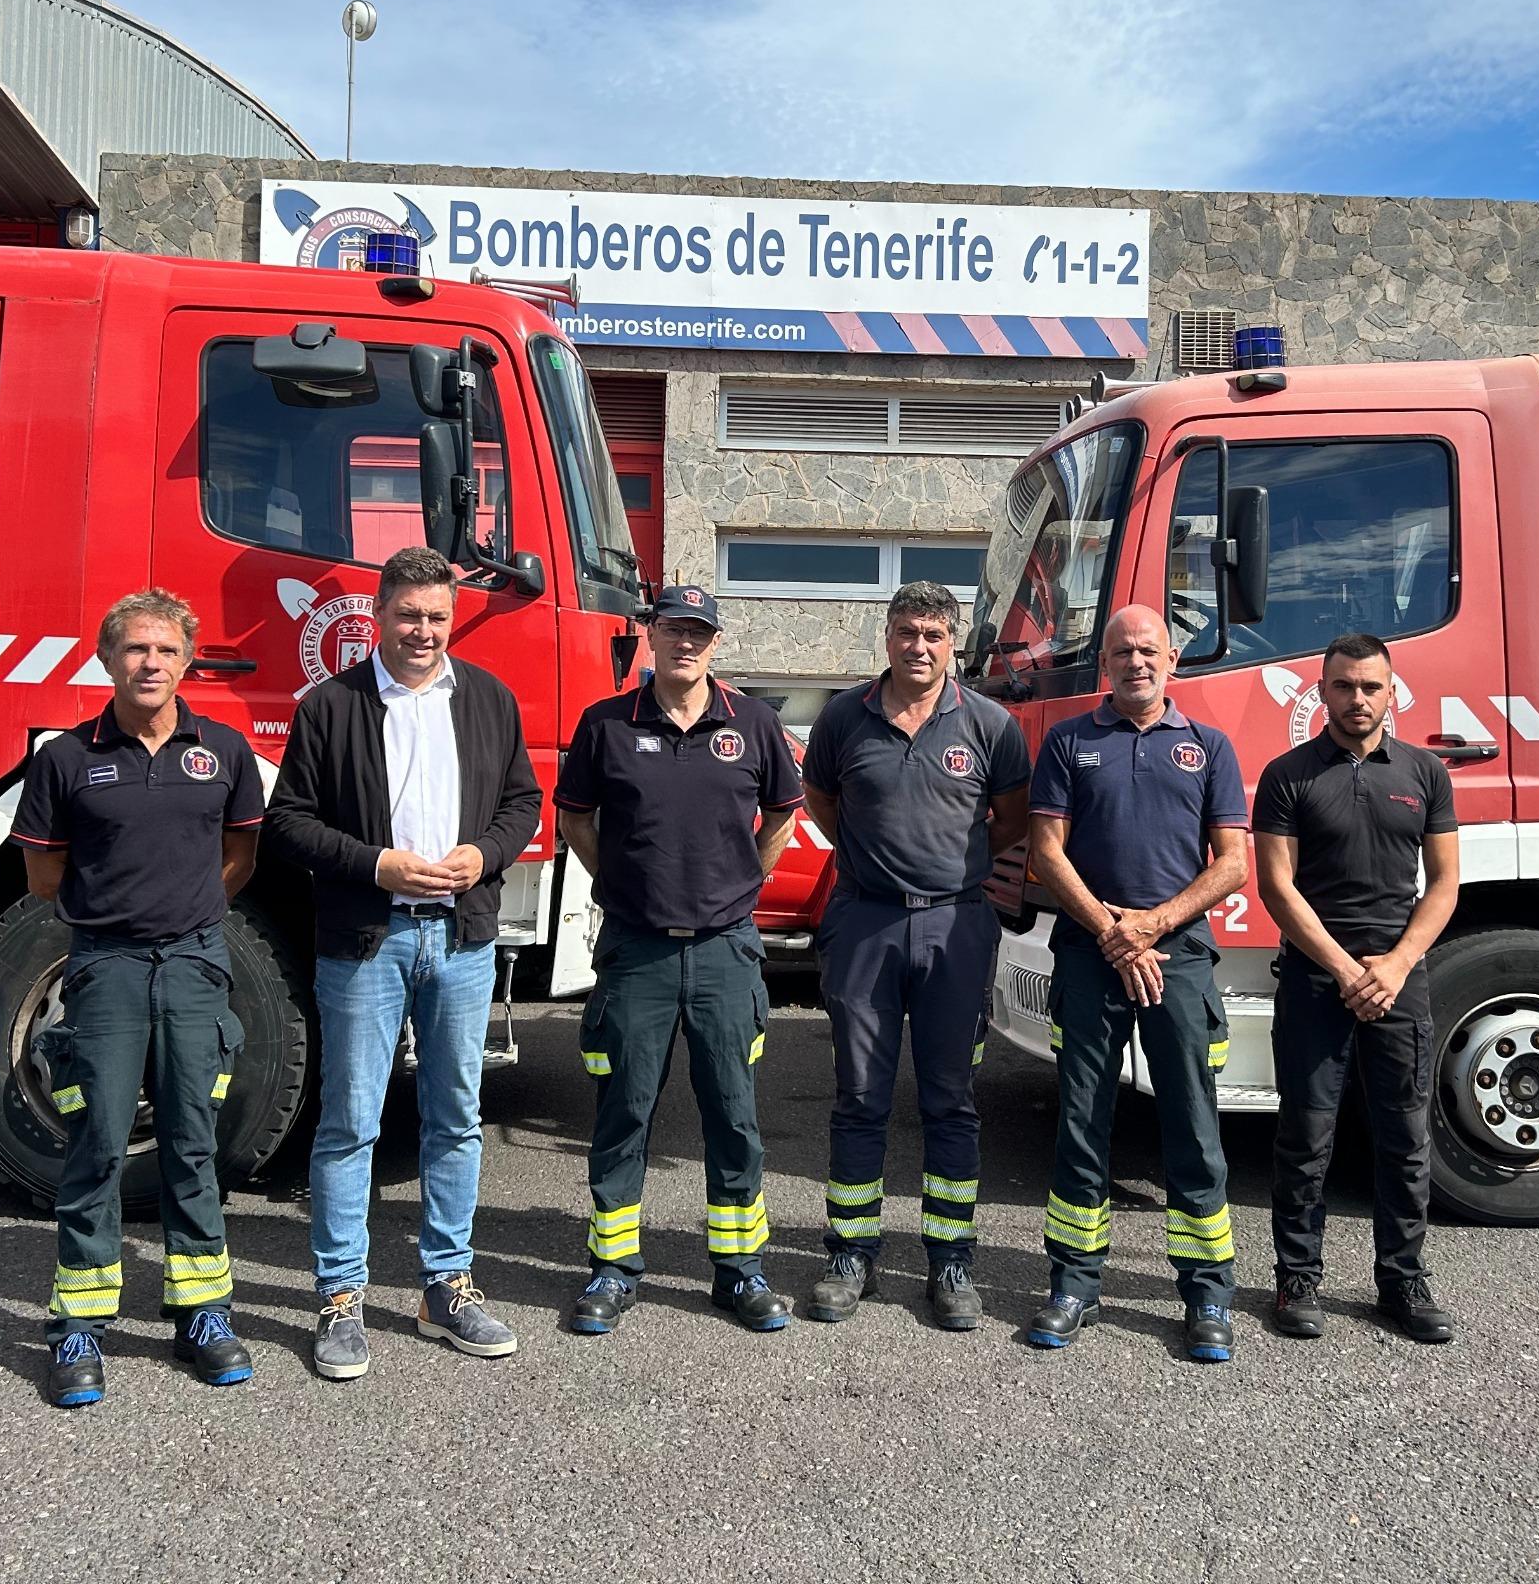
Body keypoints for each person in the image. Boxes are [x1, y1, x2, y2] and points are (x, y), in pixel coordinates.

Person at [265, 546, 544, 1375]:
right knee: (351, 1122)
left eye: (437, 618)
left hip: (461, 939)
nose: (423, 631)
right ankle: (339, 1297)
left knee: (456, 1118)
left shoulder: (489, 699)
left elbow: (522, 802)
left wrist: (485, 855)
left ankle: (445, 1288)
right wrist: (375, 864)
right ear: (380, 615)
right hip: (367, 939)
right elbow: (288, 822)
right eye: (409, 615)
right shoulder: (331, 706)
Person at [13, 588, 266, 1407]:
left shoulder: (224, 752)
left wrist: (184, 918)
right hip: (106, 970)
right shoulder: (64, 759)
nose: (150, 663)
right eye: (134, 649)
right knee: (97, 1142)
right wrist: (120, 920)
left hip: (194, 965)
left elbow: (240, 858)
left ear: (187, 661)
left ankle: (203, 1313)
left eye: (165, 650)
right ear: (106, 659)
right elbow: (44, 876)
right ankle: (79, 1324)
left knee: (193, 1142)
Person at [554, 585, 805, 1335]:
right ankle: (612, 1268)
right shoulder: (606, 723)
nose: (686, 642)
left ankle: (740, 1270)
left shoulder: (753, 723)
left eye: (699, 631)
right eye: (673, 629)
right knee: (622, 1111)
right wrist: (619, 882)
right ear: (651, 635)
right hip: (637, 952)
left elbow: (783, 812)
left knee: (733, 1114)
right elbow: (575, 816)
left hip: (727, 950)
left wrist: (743, 883)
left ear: (715, 642)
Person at [799, 581, 1029, 1330]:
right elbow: (824, 803)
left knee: (950, 1100)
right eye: (907, 632)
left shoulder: (990, 724)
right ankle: (851, 1253)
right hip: (864, 924)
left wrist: (951, 871)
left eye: (933, 634)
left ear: (952, 642)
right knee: (859, 1095)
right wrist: (875, 864)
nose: (919, 647)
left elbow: (1010, 819)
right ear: (888, 637)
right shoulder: (844, 717)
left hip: (954, 927)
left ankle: (950, 1259)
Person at [1023, 604, 1249, 1362]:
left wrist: (1151, 926)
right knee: (1081, 1121)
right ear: (1105, 664)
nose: (1135, 662)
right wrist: (1113, 932)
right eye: (1121, 652)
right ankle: (1073, 1284)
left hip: (1177, 957)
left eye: (1149, 650)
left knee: (1193, 1123)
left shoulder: (1209, 747)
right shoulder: (1068, 742)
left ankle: (1207, 1292)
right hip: (1092, 955)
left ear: (1172, 661)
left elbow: (1232, 863)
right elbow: (1047, 853)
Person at [1253, 631, 1461, 1345]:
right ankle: (1297, 1278)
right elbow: (1277, 887)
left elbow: (1445, 884)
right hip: (1317, 981)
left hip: (1399, 981)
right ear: (1322, 691)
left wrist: (1395, 966)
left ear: (1391, 692)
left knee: (1405, 1137)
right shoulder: (1288, 775)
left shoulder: (1426, 773)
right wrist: (1346, 970)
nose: (1358, 699)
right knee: (1305, 1137)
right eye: (1343, 686)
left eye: (1371, 686)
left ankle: (1402, 1280)